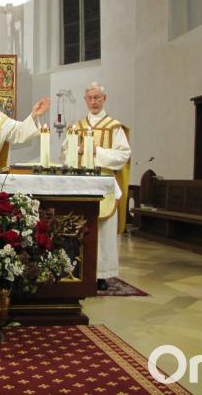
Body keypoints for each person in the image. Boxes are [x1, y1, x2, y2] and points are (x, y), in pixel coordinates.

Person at [62, 82, 131, 291]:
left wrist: (95, 151)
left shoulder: (114, 127)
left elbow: (123, 155)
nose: (94, 102)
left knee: (103, 230)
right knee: (79, 226)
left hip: (104, 184)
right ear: (85, 100)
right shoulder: (76, 127)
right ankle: (76, 268)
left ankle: (101, 273)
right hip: (80, 182)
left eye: (97, 97)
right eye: (90, 98)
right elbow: (65, 154)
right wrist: (76, 151)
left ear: (104, 99)